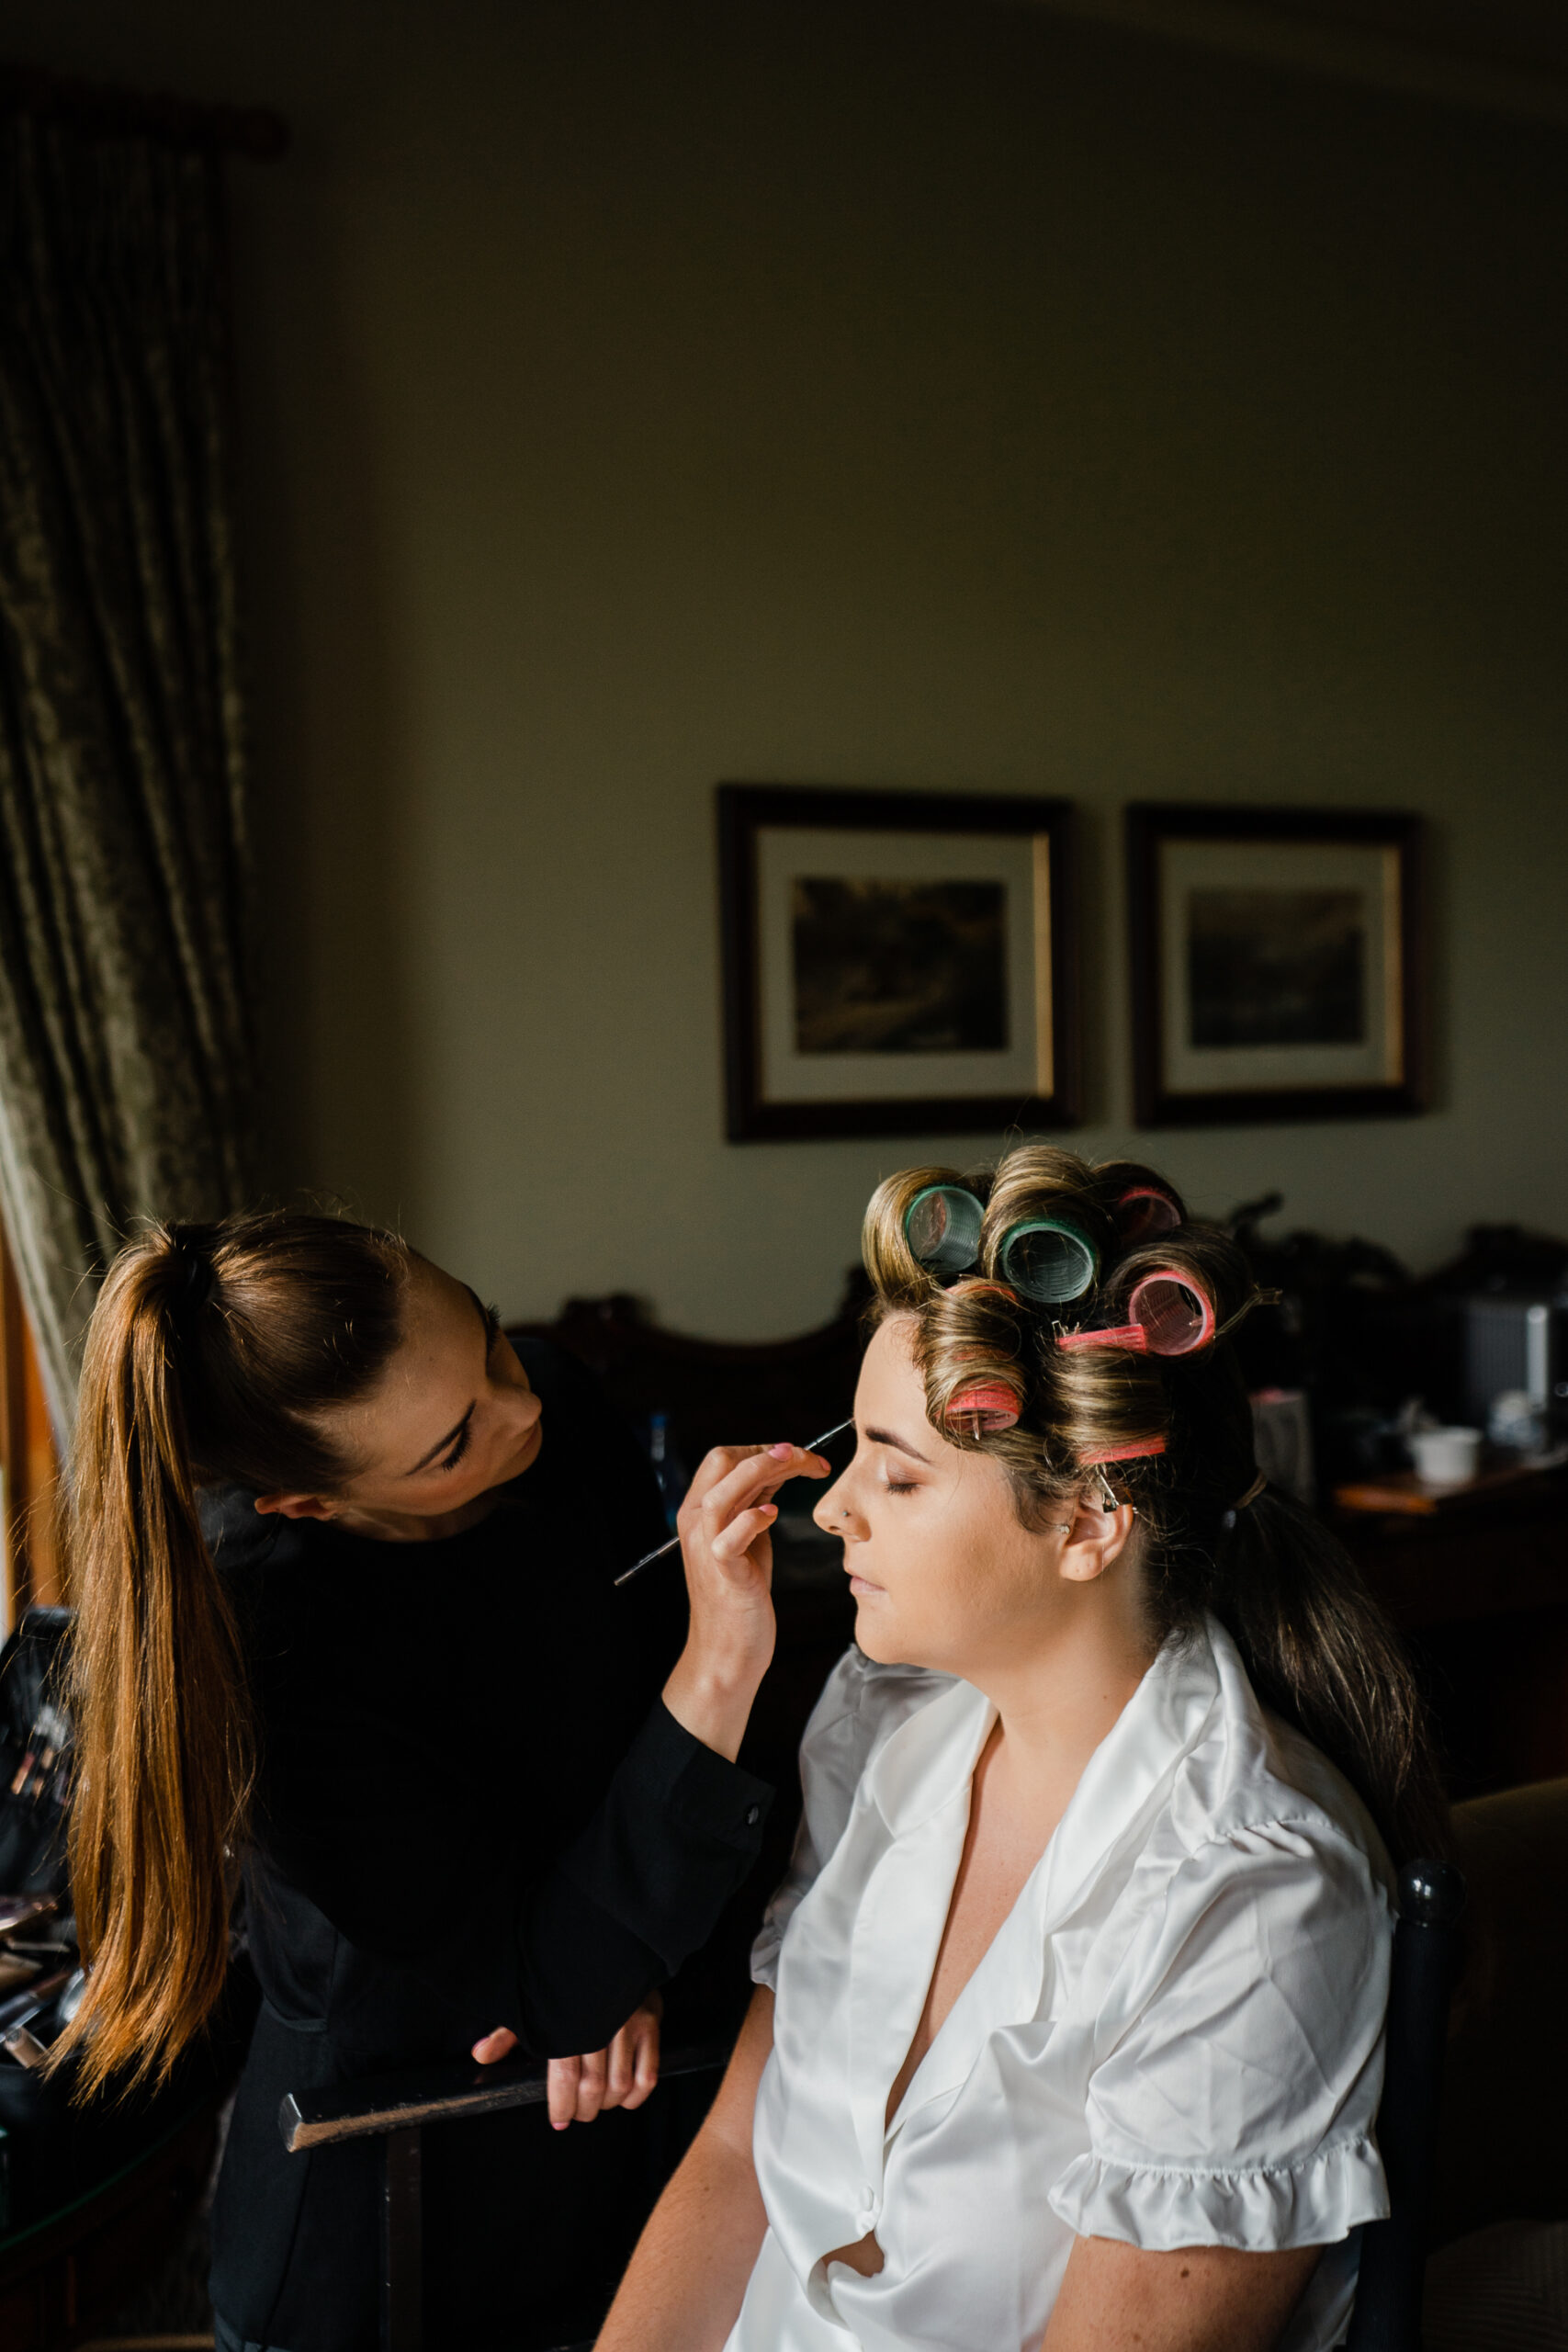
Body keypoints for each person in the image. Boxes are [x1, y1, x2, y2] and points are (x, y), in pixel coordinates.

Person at [597, 1146, 1448, 2352]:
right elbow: (737, 2161)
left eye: (894, 1475)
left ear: (1084, 1522)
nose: (830, 1506)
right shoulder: (878, 1727)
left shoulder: (1250, 1893)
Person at [51, 1210, 829, 2351]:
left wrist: (621, 1958)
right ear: (305, 1503)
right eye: (455, 1441)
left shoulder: (553, 1408)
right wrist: (719, 1662)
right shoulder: (275, 1643)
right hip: (382, 2195)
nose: (524, 1410)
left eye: (494, 1342)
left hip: (613, 2155)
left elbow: (649, 1781)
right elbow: (560, 1956)